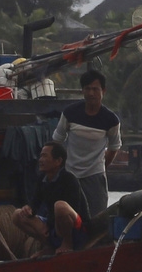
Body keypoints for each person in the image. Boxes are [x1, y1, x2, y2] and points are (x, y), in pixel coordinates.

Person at [52, 69, 122, 216]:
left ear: (103, 91)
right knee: (66, 215)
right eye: (88, 89)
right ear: (82, 91)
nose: (91, 93)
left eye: (95, 89)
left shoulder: (111, 120)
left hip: (95, 177)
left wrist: (101, 165)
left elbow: (114, 147)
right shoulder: (70, 113)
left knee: (96, 217)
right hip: (70, 173)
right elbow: (57, 141)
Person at [14, 141, 88, 255]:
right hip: (54, 226)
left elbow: (74, 209)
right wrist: (28, 209)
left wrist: (49, 223)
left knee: (60, 206)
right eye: (40, 156)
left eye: (44, 156)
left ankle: (67, 244)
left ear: (58, 161)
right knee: (18, 215)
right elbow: (35, 204)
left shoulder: (69, 179)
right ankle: (50, 246)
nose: (40, 160)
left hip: (77, 229)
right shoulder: (42, 179)